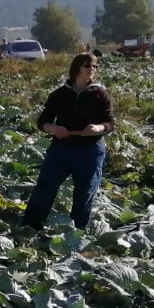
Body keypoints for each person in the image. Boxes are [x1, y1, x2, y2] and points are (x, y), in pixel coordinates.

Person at [22, 53, 114, 230]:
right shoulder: (60, 94)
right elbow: (43, 122)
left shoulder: (100, 94)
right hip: (61, 149)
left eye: (95, 66)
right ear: (77, 68)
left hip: (90, 150)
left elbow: (109, 122)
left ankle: (77, 233)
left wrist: (98, 128)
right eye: (88, 66)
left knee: (85, 193)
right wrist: (54, 129)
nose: (92, 70)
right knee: (45, 188)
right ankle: (30, 229)